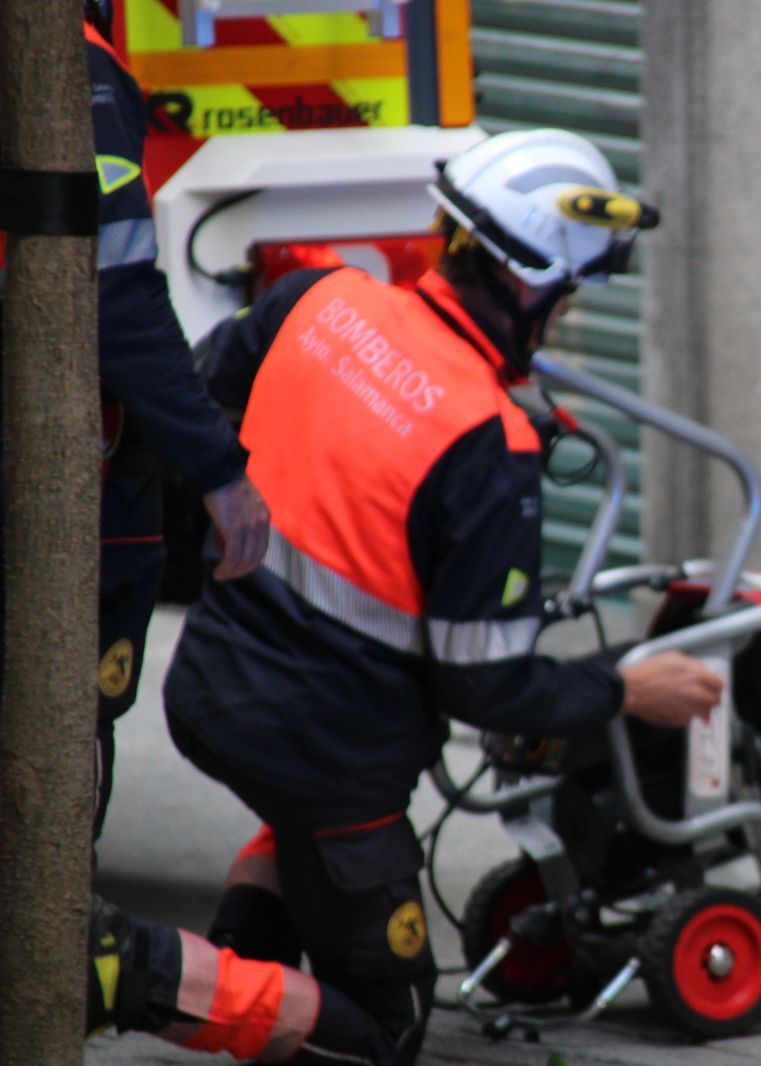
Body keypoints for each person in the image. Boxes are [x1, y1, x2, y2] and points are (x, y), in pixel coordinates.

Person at [87, 128, 724, 1066]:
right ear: (528, 285)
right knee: (383, 1034)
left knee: (302, 849)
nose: (562, 321)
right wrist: (630, 689)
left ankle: (225, 968)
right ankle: (127, 968)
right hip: (328, 755)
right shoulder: (488, 445)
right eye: (566, 297)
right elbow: (488, 691)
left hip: (211, 692)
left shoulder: (321, 299)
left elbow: (201, 399)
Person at [0, 4, 271, 837]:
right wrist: (219, 471)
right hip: (54, 474)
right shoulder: (70, 67)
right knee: (58, 738)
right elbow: (113, 291)